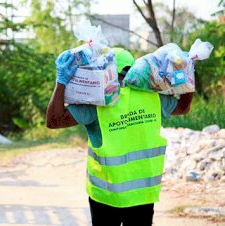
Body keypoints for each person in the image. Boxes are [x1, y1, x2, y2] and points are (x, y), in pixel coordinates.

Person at [46, 48, 193, 226]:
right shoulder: (153, 99)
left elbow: (53, 121)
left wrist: (61, 81)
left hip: (106, 195)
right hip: (142, 194)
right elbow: (183, 107)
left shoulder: (97, 102)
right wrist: (186, 73)